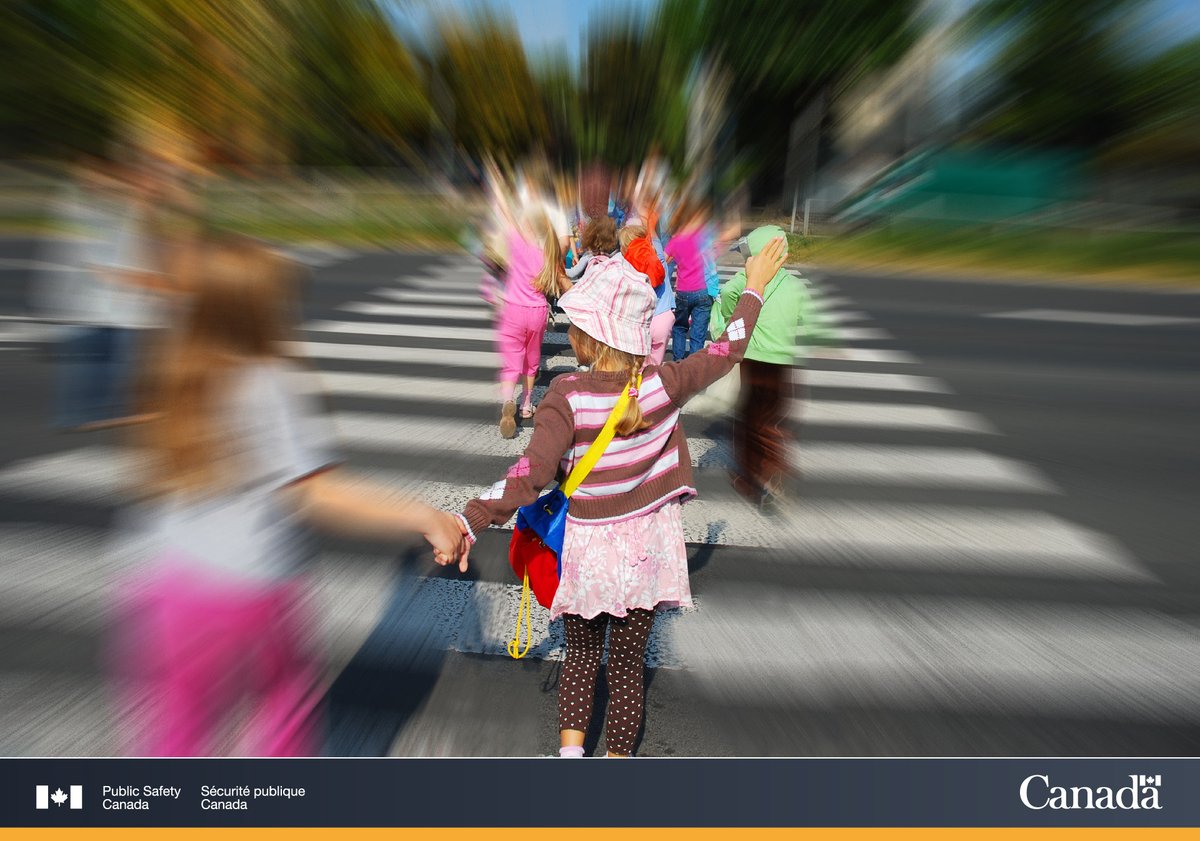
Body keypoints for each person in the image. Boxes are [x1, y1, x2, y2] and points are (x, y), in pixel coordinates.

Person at [114, 233, 468, 757]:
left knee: (174, 734)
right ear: (259, 310)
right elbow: (315, 492)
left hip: (159, 583)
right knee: (281, 709)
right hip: (246, 591)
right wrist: (425, 515)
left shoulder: (177, 370)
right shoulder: (268, 380)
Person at [451, 237, 788, 757]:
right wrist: (757, 287)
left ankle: (569, 756)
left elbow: (530, 474)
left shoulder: (568, 395)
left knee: (581, 660)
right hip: (647, 553)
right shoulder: (665, 384)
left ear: (586, 338)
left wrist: (472, 518)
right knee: (629, 669)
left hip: (590, 556)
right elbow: (727, 349)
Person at [714, 225, 827, 512]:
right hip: (783, 366)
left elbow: (727, 311)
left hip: (751, 363)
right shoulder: (797, 286)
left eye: (748, 255)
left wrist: (721, 332)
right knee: (773, 419)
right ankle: (775, 466)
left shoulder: (740, 283)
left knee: (747, 422)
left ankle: (750, 477)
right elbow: (811, 322)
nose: (744, 261)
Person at [495, 211, 570, 437]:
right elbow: (563, 284)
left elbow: (505, 215)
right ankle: (527, 405)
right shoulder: (548, 256)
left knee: (511, 363)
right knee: (531, 360)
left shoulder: (517, 244)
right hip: (537, 311)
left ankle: (509, 400)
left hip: (513, 309)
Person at [619, 224, 673, 368]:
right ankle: (652, 388)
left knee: (635, 367)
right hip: (663, 318)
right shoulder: (658, 256)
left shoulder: (625, 266)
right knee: (654, 368)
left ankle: (635, 389)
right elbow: (653, 233)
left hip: (640, 321)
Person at [665, 201, 713, 361]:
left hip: (683, 292)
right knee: (698, 333)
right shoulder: (700, 238)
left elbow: (663, 261)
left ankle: (678, 362)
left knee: (679, 327)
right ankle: (694, 366)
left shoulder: (674, 242)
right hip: (702, 291)